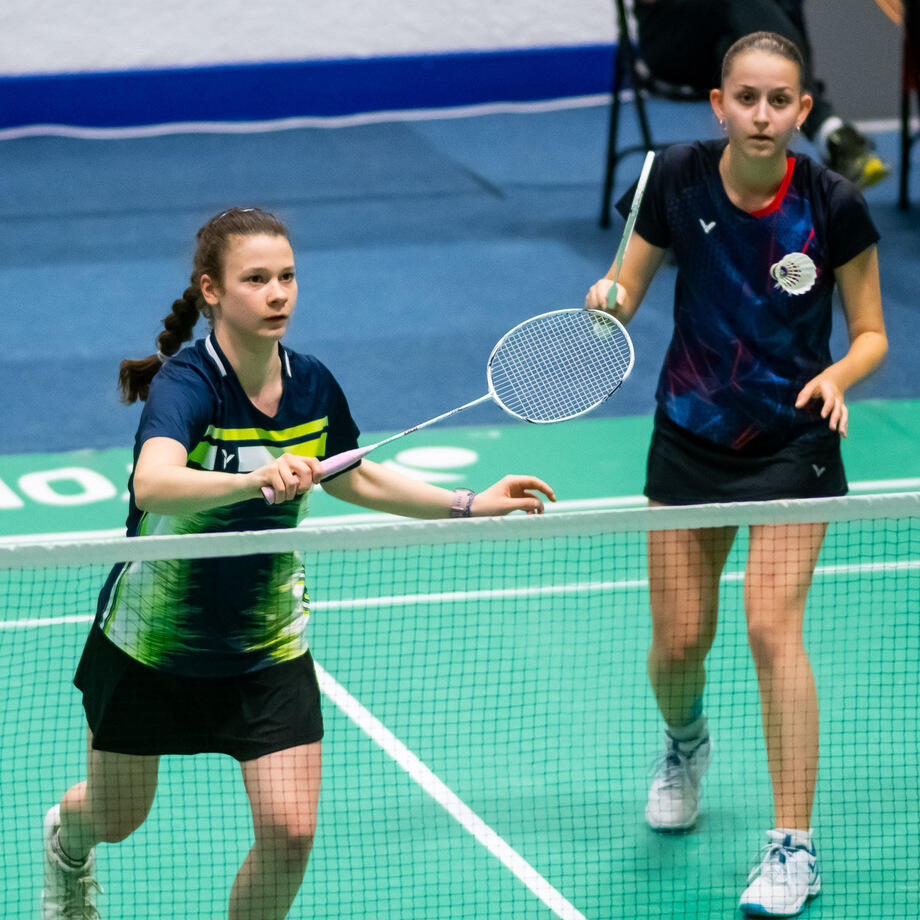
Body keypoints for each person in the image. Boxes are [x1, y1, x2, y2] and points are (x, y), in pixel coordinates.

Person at [41, 206, 555, 920]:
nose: (277, 293)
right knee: (116, 817)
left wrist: (469, 503)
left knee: (291, 832)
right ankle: (66, 846)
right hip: (153, 644)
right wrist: (252, 479)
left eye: (286, 277)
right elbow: (152, 483)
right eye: (256, 279)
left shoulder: (312, 384)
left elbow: (353, 475)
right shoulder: (189, 384)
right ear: (212, 290)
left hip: (266, 643)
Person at [585, 32, 887, 917]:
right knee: (680, 643)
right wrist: (607, 301)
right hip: (691, 436)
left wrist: (839, 375)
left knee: (769, 627)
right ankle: (686, 743)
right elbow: (625, 288)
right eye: (746, 98)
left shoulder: (832, 203)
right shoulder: (675, 179)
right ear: (718, 105)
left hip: (795, 440)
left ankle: (793, 846)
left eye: (779, 100)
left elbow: (871, 333)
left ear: (802, 109)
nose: (761, 115)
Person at [632, 0, 892, 189]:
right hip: (671, 41)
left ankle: (740, 192)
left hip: (728, 45)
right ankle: (828, 131)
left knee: (757, 38)